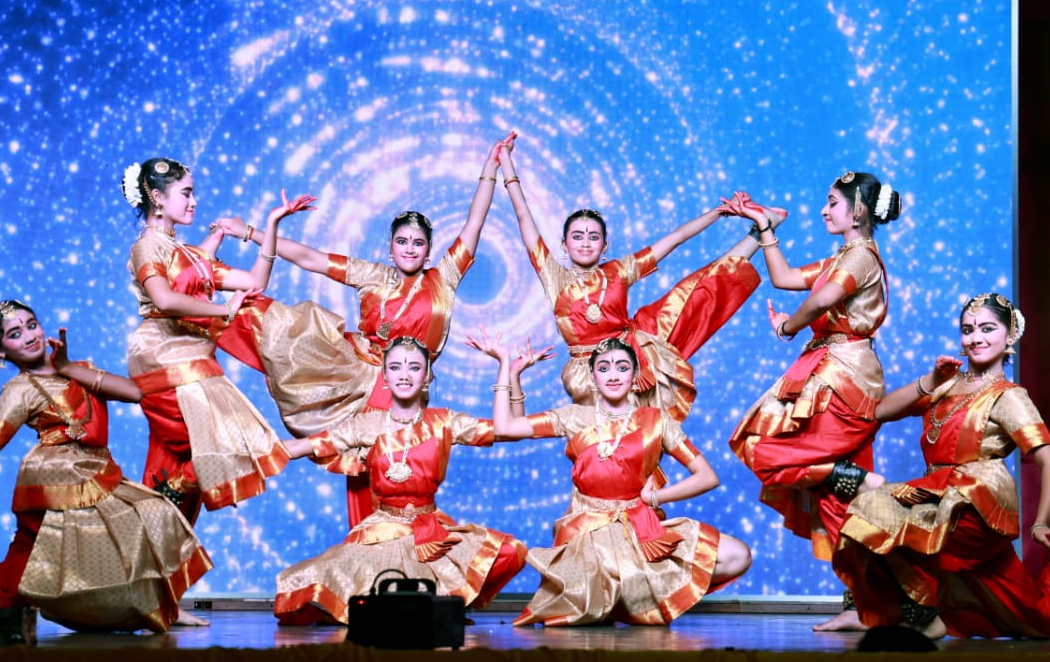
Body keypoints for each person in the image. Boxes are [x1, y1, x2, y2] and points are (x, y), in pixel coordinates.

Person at [211, 138, 510, 526]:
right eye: (402, 241)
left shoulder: (443, 279)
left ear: (429, 250)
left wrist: (491, 167)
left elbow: (474, 222)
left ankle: (405, 546)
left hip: (407, 382)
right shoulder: (371, 276)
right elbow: (310, 258)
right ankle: (368, 552)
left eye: (418, 243)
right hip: (360, 377)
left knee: (400, 468)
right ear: (390, 247)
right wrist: (251, 231)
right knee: (362, 464)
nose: (409, 249)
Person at [832, 292, 1050, 639]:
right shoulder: (945, 383)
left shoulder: (1008, 396)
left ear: (1010, 335)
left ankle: (923, 614)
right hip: (936, 500)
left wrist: (1040, 524)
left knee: (873, 511)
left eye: (987, 328)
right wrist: (932, 380)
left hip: (975, 504)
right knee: (1039, 617)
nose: (975, 337)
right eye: (968, 330)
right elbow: (881, 411)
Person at [0, 301, 213, 633]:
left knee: (154, 514)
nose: (29, 336)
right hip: (51, 489)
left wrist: (66, 366)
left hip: (97, 478)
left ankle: (165, 607)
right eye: (14, 334)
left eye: (31, 325)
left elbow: (134, 393)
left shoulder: (79, 369)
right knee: (3, 602)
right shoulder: (19, 391)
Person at [473, 332, 753, 626]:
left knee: (738, 555)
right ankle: (621, 599)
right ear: (593, 378)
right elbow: (505, 428)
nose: (613, 375)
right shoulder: (573, 417)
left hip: (640, 530)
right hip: (588, 534)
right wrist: (508, 368)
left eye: (622, 366)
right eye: (604, 368)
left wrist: (655, 497)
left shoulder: (656, 421)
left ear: (635, 375)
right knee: (588, 600)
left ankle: (637, 597)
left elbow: (707, 476)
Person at [496, 135, 779, 424]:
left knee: (697, 292)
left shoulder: (618, 270)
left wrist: (719, 212)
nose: (585, 243)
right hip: (589, 373)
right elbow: (523, 216)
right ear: (564, 245)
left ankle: (761, 230)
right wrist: (505, 160)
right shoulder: (555, 277)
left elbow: (675, 238)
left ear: (604, 246)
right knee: (609, 436)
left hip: (637, 351)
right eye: (577, 236)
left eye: (593, 237)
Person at [726, 171, 902, 631]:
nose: (824, 210)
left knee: (761, 449)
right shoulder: (842, 257)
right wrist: (764, 227)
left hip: (843, 379)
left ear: (857, 210)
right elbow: (784, 278)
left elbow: (823, 299)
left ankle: (862, 479)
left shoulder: (861, 256)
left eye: (832, 202)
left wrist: (789, 327)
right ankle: (866, 607)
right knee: (837, 505)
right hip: (831, 372)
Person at [272, 336, 530, 625]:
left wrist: (508, 369)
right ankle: (421, 609)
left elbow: (511, 430)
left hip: (431, 531)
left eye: (414, 367)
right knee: (319, 583)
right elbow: (301, 447)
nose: (404, 375)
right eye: (395, 367)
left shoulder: (444, 421)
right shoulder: (365, 424)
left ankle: (437, 606)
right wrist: (252, 447)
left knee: (510, 551)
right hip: (381, 532)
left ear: (426, 375)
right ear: (384, 375)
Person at [122, 157, 313, 524]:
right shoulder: (147, 247)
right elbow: (164, 299)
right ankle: (173, 486)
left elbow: (255, 282)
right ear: (158, 199)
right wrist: (223, 310)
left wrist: (271, 224)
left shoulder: (189, 255)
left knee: (201, 459)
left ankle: (165, 504)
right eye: (186, 193)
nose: (194, 201)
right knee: (233, 444)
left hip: (195, 360)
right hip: (167, 359)